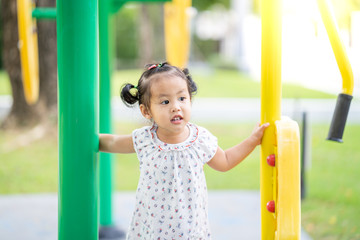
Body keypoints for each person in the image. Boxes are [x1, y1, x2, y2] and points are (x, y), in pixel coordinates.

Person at [99, 62, 269, 240]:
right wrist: (85, 137)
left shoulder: (199, 139)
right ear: (146, 111)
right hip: (153, 230)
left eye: (182, 98)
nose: (175, 107)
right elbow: (112, 142)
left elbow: (225, 160)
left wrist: (252, 141)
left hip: (189, 230)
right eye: (165, 101)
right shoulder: (145, 139)